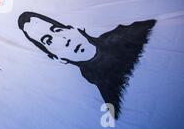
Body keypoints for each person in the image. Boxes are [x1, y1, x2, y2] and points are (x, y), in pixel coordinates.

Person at [18, 11, 156, 119]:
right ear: (57, 58)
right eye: (49, 41)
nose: (64, 40)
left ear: (75, 28)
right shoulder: (108, 94)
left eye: (57, 30)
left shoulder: (131, 33)